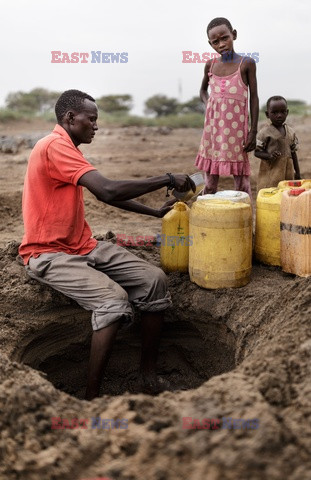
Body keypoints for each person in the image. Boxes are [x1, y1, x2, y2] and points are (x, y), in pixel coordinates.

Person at [18, 89, 195, 400]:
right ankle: (92, 396)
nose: (96, 126)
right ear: (70, 118)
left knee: (154, 280)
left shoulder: (67, 147)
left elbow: (108, 191)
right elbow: (108, 191)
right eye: (92, 119)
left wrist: (154, 212)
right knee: (113, 302)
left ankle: (148, 376)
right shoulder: (54, 146)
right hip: (49, 253)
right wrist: (168, 178)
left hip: (83, 245)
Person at [195, 17, 259, 198]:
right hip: (213, 131)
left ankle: (244, 221)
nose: (221, 44)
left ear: (234, 35)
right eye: (215, 42)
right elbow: (202, 90)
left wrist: (253, 131)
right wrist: (210, 104)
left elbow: (254, 97)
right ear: (210, 44)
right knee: (210, 183)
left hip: (237, 132)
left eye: (225, 38)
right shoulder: (210, 65)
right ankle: (206, 215)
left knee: (242, 183)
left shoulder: (246, 63)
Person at [255, 96, 301, 191]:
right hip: (271, 174)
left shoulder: (290, 132)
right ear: (268, 114)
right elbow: (257, 152)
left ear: (287, 113)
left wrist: (297, 172)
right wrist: (269, 155)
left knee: (287, 193)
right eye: (275, 112)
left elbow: (293, 153)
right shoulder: (265, 132)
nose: (279, 115)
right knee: (271, 193)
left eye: (282, 112)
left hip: (287, 173)